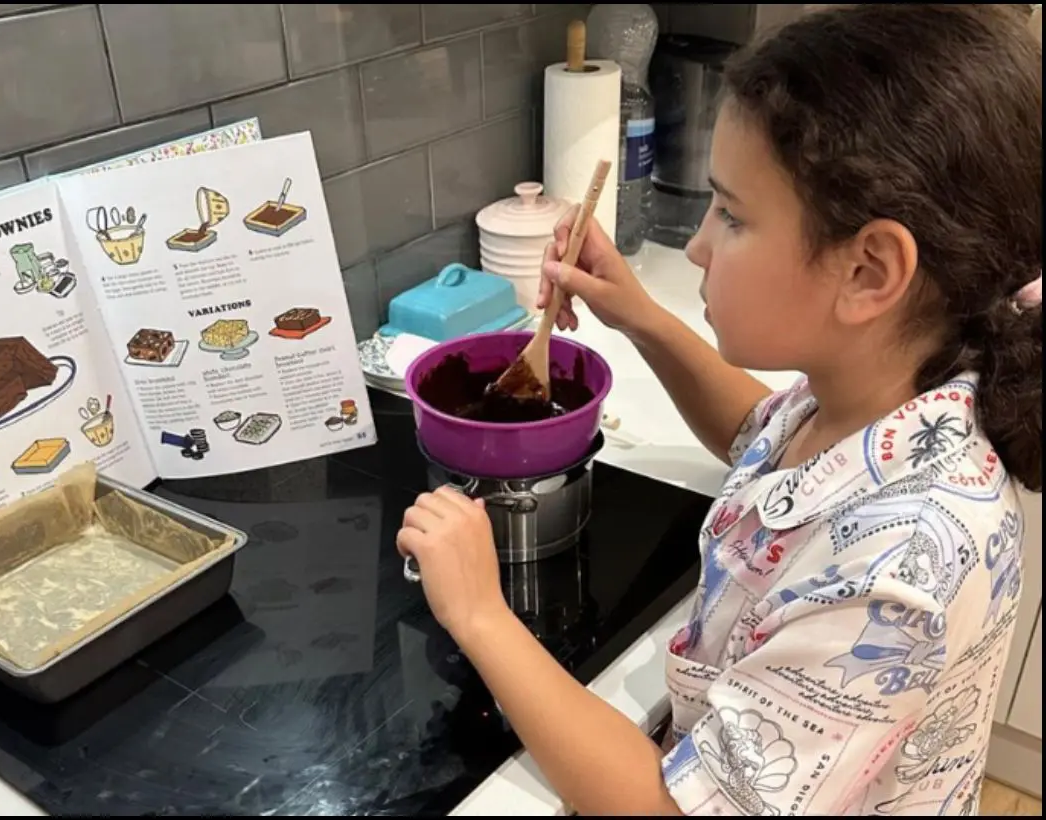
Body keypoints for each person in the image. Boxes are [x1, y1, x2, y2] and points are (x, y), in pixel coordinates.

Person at [395, 5, 1042, 816]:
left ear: (870, 272)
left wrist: (483, 619)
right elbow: (763, 436)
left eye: (732, 215)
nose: (697, 246)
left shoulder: (897, 571)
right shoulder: (891, 387)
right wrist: (640, 314)